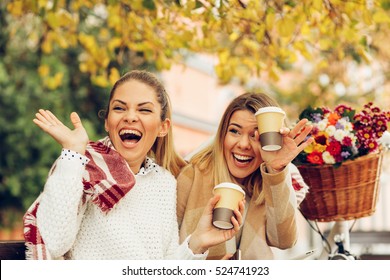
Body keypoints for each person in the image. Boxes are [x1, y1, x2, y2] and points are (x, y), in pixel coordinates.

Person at [24, 70, 244, 260]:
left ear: (163, 127)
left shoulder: (164, 182)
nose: (130, 117)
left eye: (144, 110)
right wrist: (72, 153)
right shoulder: (79, 165)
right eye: (119, 108)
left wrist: (198, 241)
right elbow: (54, 242)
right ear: (107, 122)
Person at [177, 92, 313, 260]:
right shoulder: (192, 175)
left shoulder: (270, 184)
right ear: (222, 135)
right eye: (234, 131)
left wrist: (276, 170)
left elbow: (284, 240)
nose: (243, 145)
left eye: (255, 136)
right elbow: (165, 250)